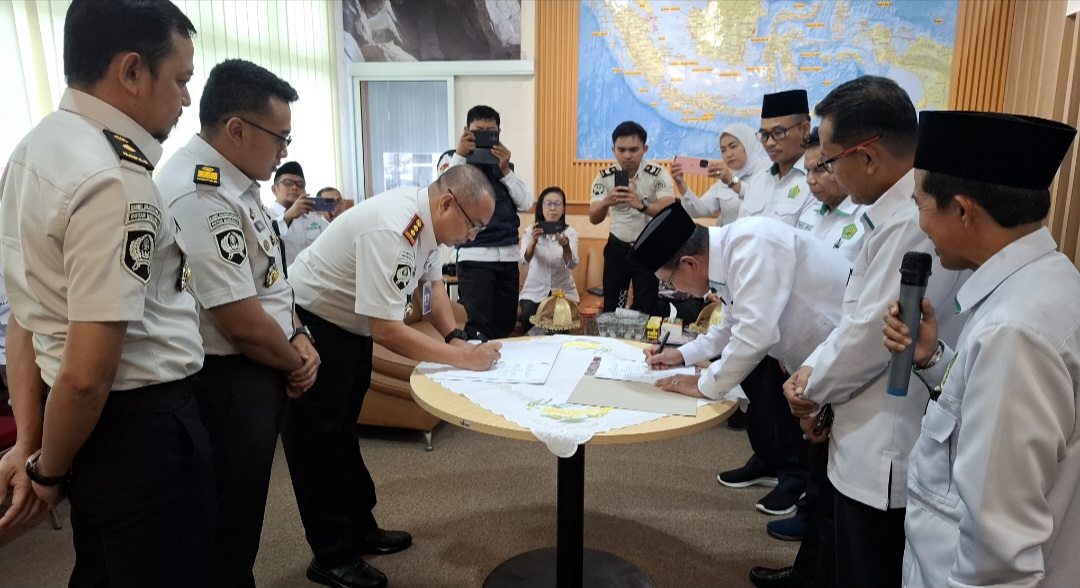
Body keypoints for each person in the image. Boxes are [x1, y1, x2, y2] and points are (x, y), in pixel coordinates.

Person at [0, 1, 214, 586]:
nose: (186, 99)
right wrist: (48, 472)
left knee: (101, 566)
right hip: (139, 428)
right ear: (131, 72)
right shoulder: (114, 182)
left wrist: (33, 441)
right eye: (180, 79)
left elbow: (29, 314)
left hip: (83, 422)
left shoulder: (35, 148)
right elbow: (89, 372)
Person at [778, 76, 968, 588]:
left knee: (866, 568)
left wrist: (809, 388)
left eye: (830, 158)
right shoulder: (888, 214)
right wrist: (813, 380)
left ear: (869, 156)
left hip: (886, 441)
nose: (827, 171)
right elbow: (854, 317)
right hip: (858, 428)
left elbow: (874, 336)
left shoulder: (913, 220)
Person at [882, 111, 1080, 588]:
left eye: (922, 205)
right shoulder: (1048, 284)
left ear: (964, 210)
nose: (920, 225)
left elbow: (999, 549)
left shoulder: (1014, 331)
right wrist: (934, 359)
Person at [281, 164, 503, 588]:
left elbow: (434, 289)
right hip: (314, 324)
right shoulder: (394, 228)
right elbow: (388, 329)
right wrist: (461, 360)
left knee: (343, 433)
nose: (472, 237)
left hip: (351, 327)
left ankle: (360, 530)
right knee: (316, 445)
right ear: (447, 202)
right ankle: (331, 556)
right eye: (473, 226)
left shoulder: (432, 226)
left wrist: (456, 338)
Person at [156, 59, 320, 588]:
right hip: (227, 378)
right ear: (236, 128)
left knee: (245, 505)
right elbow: (239, 320)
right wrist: (297, 362)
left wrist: (300, 334)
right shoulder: (201, 192)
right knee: (224, 514)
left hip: (262, 361)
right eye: (280, 137)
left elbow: (270, 281)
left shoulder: (242, 184)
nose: (283, 151)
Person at [634, 205, 848, 400]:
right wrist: (681, 354)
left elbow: (754, 334)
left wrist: (704, 385)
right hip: (815, 363)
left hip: (846, 358)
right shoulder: (727, 255)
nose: (675, 290)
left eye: (669, 283)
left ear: (690, 263)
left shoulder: (752, 245)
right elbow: (730, 326)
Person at [437, 105, 532, 340]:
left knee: (506, 323)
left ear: (499, 132)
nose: (484, 136)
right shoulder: (452, 159)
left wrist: (506, 171)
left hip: (508, 255)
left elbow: (527, 202)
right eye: (478, 131)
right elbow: (441, 191)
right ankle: (475, 368)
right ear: (466, 130)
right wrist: (460, 155)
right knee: (478, 326)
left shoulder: (504, 163)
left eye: (491, 131)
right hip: (475, 254)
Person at [589, 121, 677, 314]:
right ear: (613, 150)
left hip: (648, 249)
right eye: (621, 150)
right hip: (617, 250)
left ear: (645, 149)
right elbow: (593, 218)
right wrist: (606, 202)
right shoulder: (604, 177)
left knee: (646, 308)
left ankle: (642, 345)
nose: (627, 155)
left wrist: (641, 205)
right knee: (613, 307)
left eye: (633, 149)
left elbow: (669, 207)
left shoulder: (657, 174)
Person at [738, 89, 816, 226]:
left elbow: (804, 243)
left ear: (805, 129)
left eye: (778, 133)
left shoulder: (818, 181)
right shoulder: (758, 179)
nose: (769, 143)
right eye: (764, 135)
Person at [673, 122, 772, 225]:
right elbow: (698, 211)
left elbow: (759, 197)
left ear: (748, 144)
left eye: (733, 146)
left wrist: (731, 181)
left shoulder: (768, 169)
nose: (728, 154)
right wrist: (681, 185)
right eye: (723, 150)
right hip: (730, 239)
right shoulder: (724, 181)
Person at [797, 127, 866, 264]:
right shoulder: (807, 212)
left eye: (818, 170)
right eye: (807, 171)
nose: (810, 180)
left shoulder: (865, 219)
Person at [519, 187, 579, 330]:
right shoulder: (530, 231)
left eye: (558, 204)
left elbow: (572, 264)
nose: (553, 208)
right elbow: (524, 259)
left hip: (563, 290)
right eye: (548, 204)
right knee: (528, 317)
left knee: (563, 321)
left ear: (563, 209)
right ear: (541, 207)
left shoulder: (570, 233)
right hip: (535, 291)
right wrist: (533, 241)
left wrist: (566, 247)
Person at [270, 161, 328, 268]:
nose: (294, 187)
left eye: (300, 184)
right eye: (287, 182)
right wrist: (288, 216)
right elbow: (266, 242)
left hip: (313, 280)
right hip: (280, 282)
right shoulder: (266, 217)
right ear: (274, 189)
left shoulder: (315, 220)